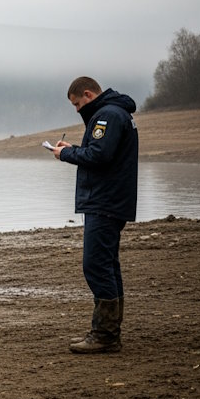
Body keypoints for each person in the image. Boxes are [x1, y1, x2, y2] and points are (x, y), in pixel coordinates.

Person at [52, 76, 138, 354]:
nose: (77, 110)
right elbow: (99, 152)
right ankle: (109, 330)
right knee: (108, 264)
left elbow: (99, 156)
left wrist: (66, 155)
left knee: (96, 264)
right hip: (110, 198)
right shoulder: (114, 113)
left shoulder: (108, 115)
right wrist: (74, 149)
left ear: (88, 94)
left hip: (105, 200)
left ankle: (105, 334)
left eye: (77, 104)